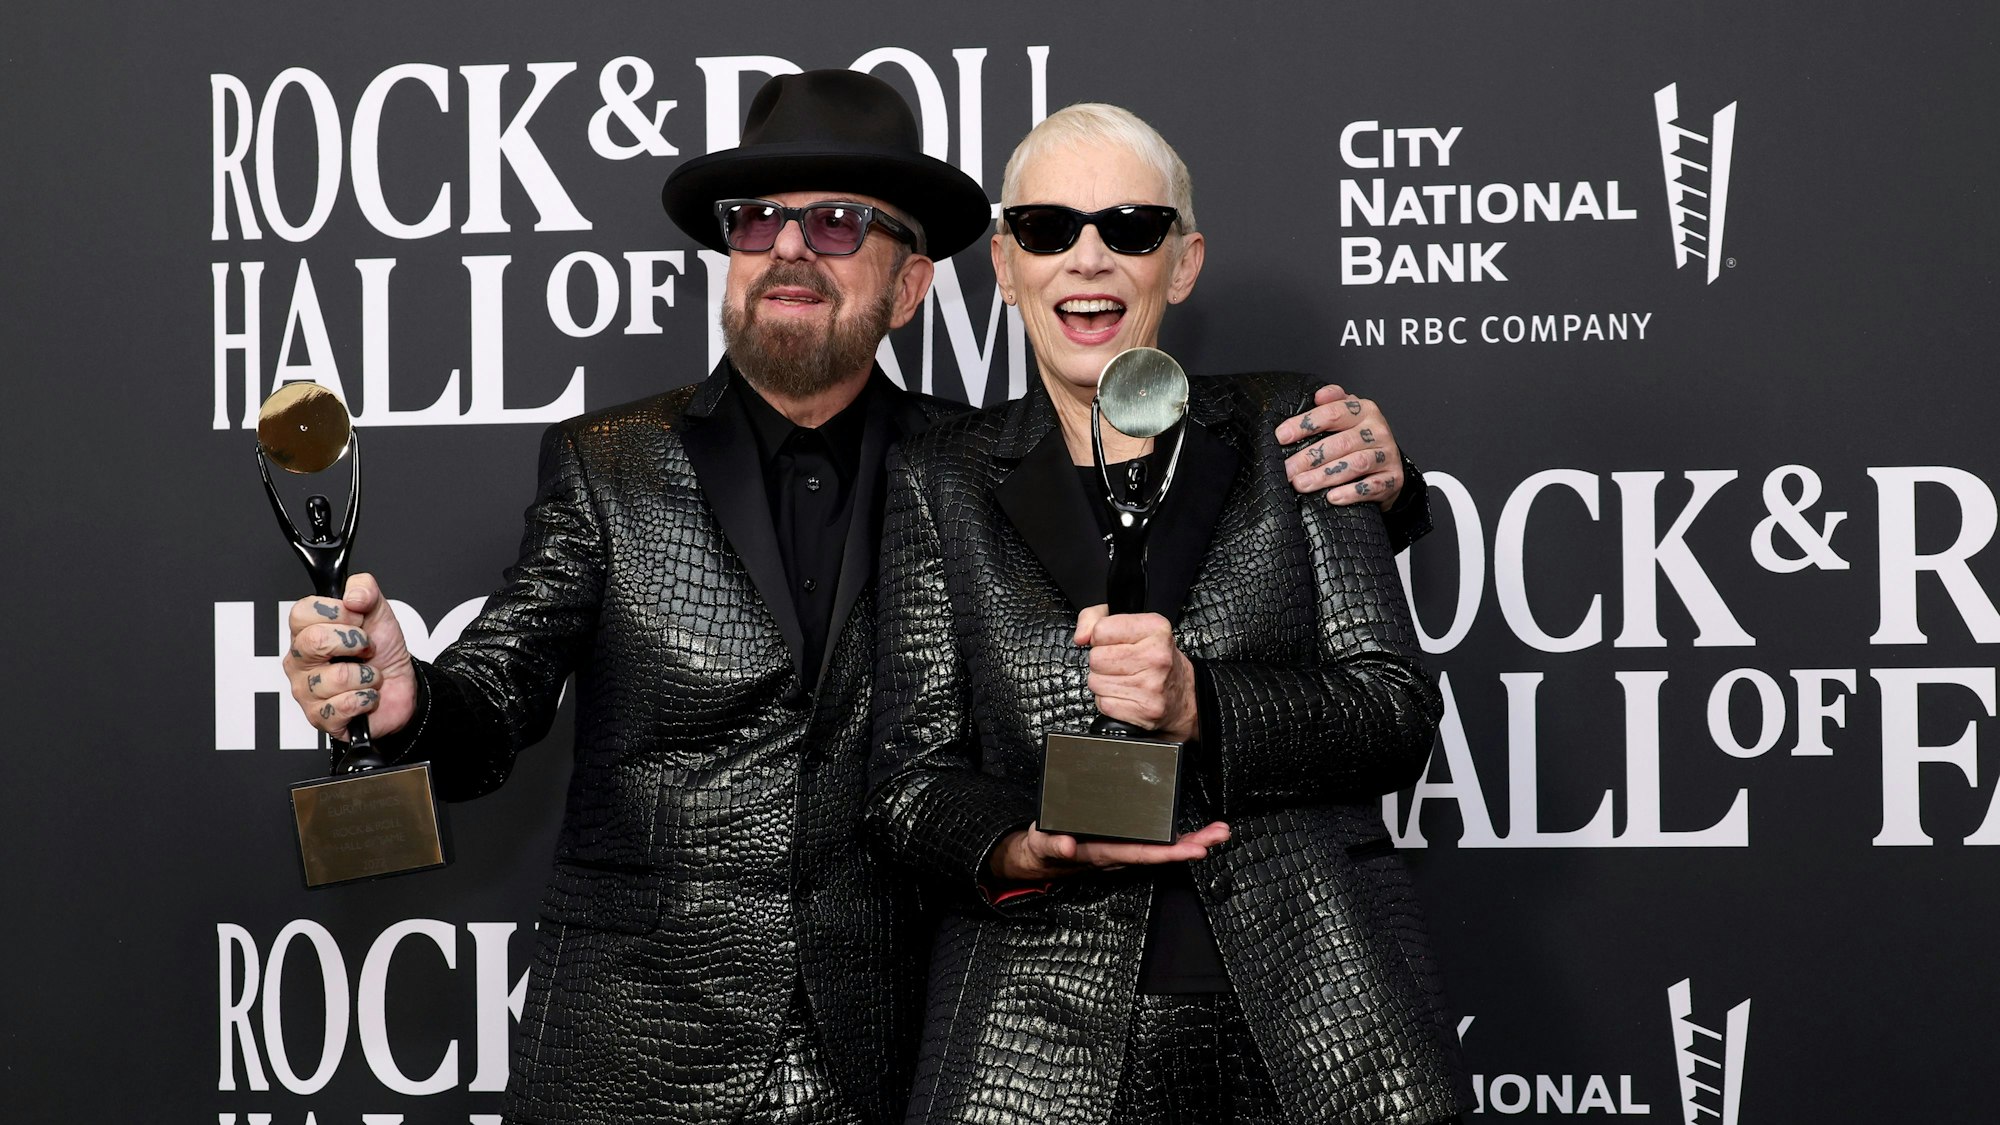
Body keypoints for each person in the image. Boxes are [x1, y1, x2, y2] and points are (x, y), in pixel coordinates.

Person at [281, 73, 1428, 1125]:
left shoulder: (967, 469)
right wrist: (405, 703)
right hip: (637, 1048)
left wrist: (1385, 494)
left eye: (835, 224)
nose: (789, 249)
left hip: (878, 1049)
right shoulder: (609, 462)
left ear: (911, 284)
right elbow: (500, 690)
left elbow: (1206, 540)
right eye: (756, 222)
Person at [863, 103, 1470, 1125]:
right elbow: (908, 786)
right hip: (1035, 1035)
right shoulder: (941, 480)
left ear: (1180, 264)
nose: (1086, 257)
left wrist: (1202, 706)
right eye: (1048, 230)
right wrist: (1024, 846)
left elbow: (1393, 713)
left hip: (1318, 1020)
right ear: (1005, 266)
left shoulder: (1294, 431)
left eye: (1129, 228)